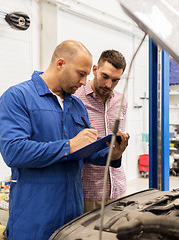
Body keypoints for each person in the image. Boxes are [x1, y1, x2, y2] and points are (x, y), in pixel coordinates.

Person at [0, 40, 128, 240]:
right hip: (34, 215)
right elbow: (14, 152)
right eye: (81, 74)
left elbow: (85, 151)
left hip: (73, 214)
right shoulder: (17, 97)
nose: (84, 82)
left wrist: (113, 153)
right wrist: (69, 145)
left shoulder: (76, 105)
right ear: (60, 64)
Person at [74, 50, 130, 212]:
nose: (108, 85)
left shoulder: (121, 101)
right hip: (88, 192)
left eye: (115, 80)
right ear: (95, 69)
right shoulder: (75, 98)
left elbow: (118, 142)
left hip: (118, 189)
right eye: (105, 76)